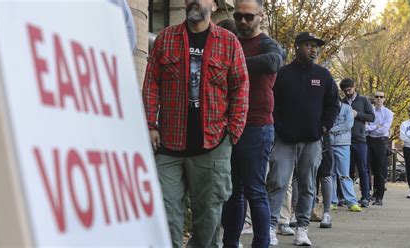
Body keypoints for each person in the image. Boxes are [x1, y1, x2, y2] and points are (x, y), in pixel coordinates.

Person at [142, 0, 250, 246]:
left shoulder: (228, 42)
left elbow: (241, 87)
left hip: (212, 144)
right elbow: (151, 84)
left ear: (213, 5)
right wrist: (150, 125)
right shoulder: (165, 39)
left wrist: (232, 133)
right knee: (165, 214)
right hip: (169, 144)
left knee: (208, 219)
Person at [267, 32, 339, 246]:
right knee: (278, 183)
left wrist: (325, 126)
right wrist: (275, 126)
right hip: (284, 140)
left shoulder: (324, 75)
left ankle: (302, 229)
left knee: (308, 186)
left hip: (312, 140)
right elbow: (270, 102)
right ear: (297, 47)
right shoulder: (282, 74)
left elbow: (334, 104)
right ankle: (271, 228)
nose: (314, 50)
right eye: (308, 45)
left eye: (316, 46)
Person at [221, 1, 284, 247]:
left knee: (255, 191)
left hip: (257, 126)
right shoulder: (231, 40)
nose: (243, 22)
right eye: (238, 16)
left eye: (249, 17)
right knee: (233, 192)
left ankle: (261, 243)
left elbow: (273, 61)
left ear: (261, 16)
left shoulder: (268, 44)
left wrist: (234, 64)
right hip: (229, 125)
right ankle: (230, 242)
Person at [339, 78, 375, 208]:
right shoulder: (342, 102)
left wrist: (357, 114)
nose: (347, 93)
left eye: (349, 90)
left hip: (360, 140)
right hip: (345, 141)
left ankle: (365, 196)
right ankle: (345, 196)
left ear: (354, 87)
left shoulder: (363, 100)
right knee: (346, 171)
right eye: (345, 91)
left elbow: (372, 117)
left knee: (363, 169)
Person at [329, 101, 362, 212]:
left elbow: (348, 125)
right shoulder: (328, 107)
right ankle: (332, 201)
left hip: (343, 145)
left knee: (344, 175)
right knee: (330, 175)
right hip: (329, 144)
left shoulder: (347, 109)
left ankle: (352, 201)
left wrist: (332, 130)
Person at [366, 91, 393, 205]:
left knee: (380, 170)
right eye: (376, 97)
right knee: (367, 168)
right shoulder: (369, 110)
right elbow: (364, 127)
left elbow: (384, 129)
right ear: (374, 98)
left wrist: (372, 127)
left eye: (381, 97)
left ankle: (379, 196)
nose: (378, 99)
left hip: (381, 142)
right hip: (369, 140)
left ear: (384, 99)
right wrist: (376, 126)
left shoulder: (388, 113)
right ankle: (369, 194)